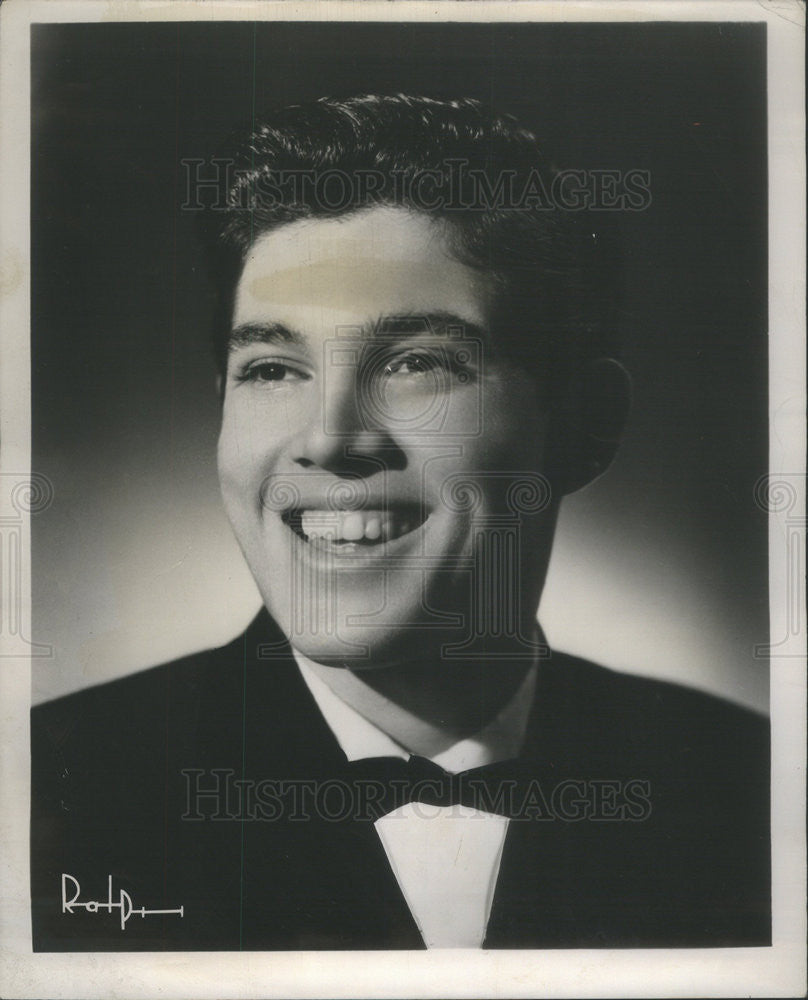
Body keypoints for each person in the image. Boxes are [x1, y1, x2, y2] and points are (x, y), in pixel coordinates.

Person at [30, 94, 770, 951]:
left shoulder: (749, 786)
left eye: (417, 363)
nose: (330, 438)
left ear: (585, 425)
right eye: (273, 369)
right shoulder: (48, 788)